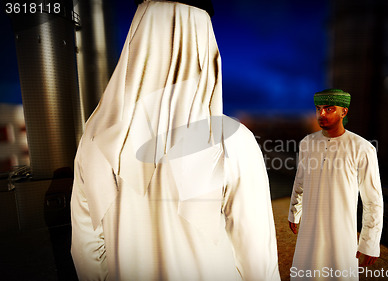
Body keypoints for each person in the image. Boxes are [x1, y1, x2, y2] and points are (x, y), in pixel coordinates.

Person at [70, 1, 280, 280]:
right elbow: (258, 263)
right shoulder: (232, 141)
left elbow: (87, 253)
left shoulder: (95, 139)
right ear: (205, 47)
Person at [288, 89, 383, 280]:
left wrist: (370, 243)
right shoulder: (307, 143)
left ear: (344, 112)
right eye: (318, 109)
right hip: (309, 229)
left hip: (341, 233)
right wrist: (294, 211)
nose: (321, 114)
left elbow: (372, 199)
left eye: (329, 109)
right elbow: (300, 180)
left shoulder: (363, 148)